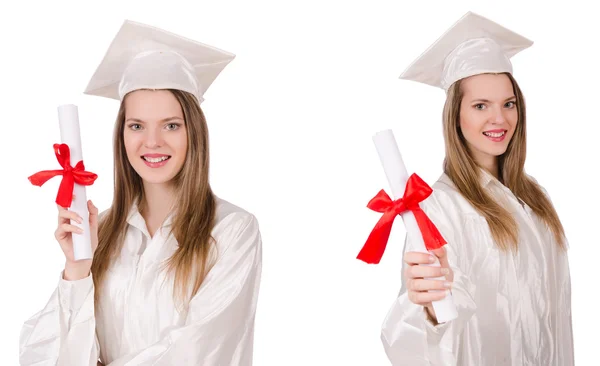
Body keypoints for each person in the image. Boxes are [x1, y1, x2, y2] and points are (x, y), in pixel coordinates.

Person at [19, 20, 262, 366]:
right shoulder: (101, 231)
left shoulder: (231, 231)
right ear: (122, 135)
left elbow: (200, 351)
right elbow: (48, 357)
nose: (152, 142)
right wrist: (78, 269)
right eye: (137, 126)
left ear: (194, 132)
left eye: (171, 125)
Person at [380, 12, 574, 365]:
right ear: (456, 116)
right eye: (480, 105)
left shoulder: (537, 201)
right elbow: (419, 337)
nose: (498, 119)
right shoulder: (439, 208)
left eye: (508, 104)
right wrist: (428, 305)